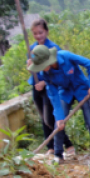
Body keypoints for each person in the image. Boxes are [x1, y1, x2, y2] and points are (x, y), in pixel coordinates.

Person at [28, 45, 90, 164]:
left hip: (81, 89)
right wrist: (59, 117)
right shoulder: (45, 74)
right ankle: (58, 155)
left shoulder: (65, 56)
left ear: (49, 60)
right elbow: (53, 95)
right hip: (65, 92)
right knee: (58, 123)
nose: (42, 69)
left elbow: (89, 64)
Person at [27, 19, 74, 157]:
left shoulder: (53, 48)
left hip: (50, 86)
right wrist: (30, 67)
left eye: (40, 32)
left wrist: (45, 82)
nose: (38, 36)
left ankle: (67, 143)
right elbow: (32, 68)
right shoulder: (32, 49)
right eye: (35, 33)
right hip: (35, 85)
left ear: (46, 32)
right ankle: (50, 147)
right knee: (43, 117)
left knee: (50, 118)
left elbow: (57, 71)